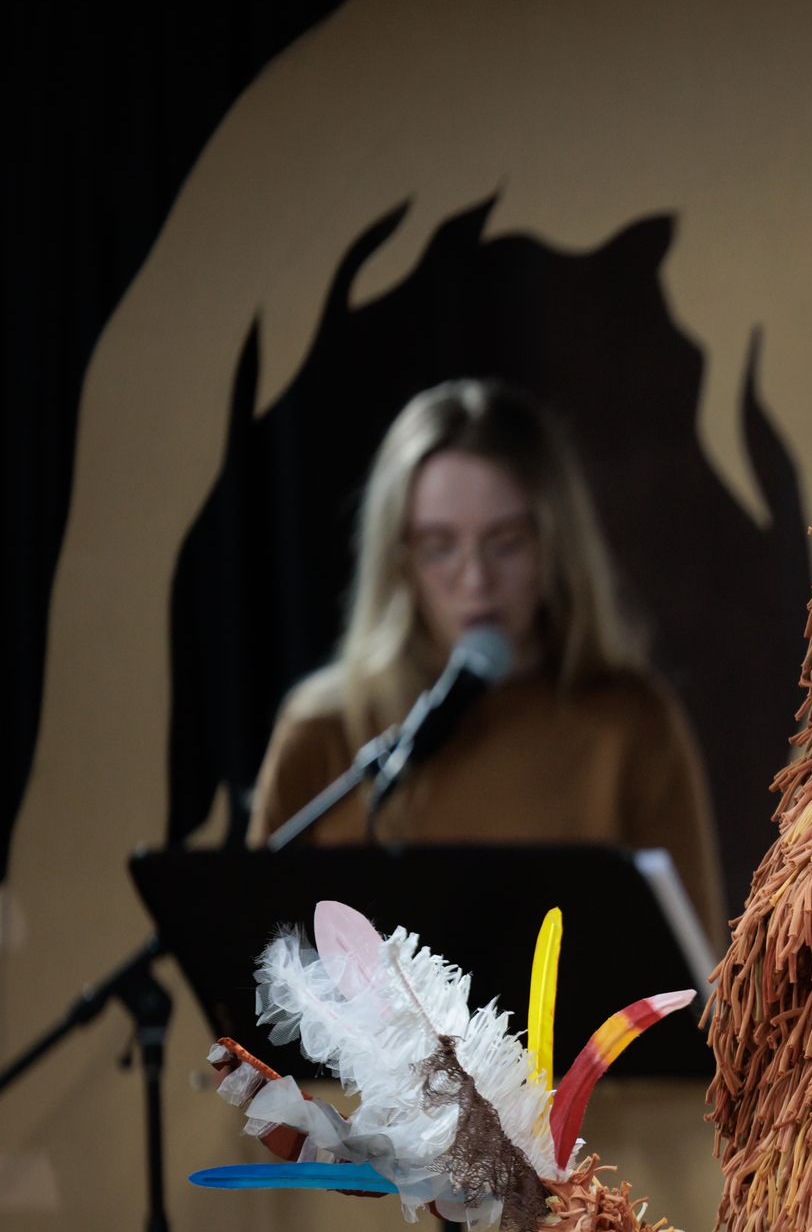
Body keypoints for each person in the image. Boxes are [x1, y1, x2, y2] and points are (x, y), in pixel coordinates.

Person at [247, 379, 725, 937]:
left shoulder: (630, 723)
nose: (475, 581)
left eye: (506, 543)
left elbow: (696, 984)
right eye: (439, 548)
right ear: (398, 561)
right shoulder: (323, 731)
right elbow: (253, 980)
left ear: (554, 548)